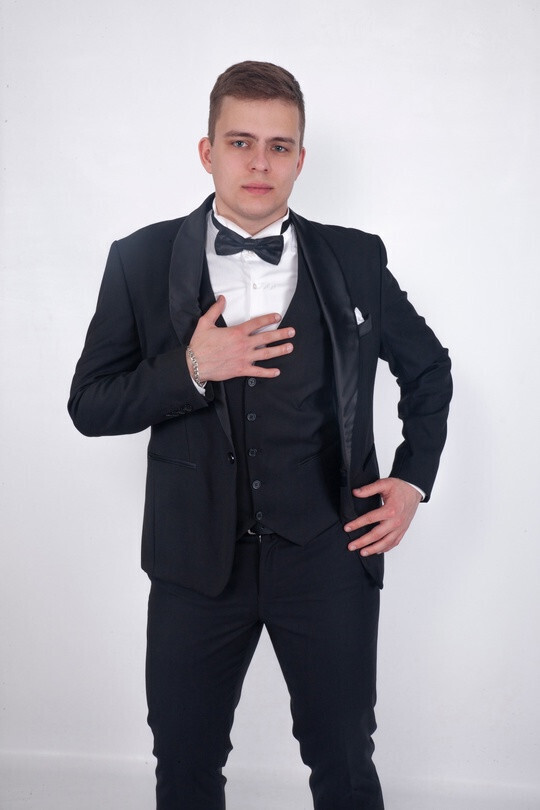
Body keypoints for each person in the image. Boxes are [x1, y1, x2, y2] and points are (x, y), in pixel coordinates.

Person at [68, 61, 452, 810]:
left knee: (345, 763)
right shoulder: (139, 259)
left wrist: (412, 480)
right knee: (185, 765)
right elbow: (90, 404)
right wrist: (191, 369)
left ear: (301, 159)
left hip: (329, 552)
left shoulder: (356, 257)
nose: (260, 163)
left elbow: (428, 370)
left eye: (279, 146)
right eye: (240, 142)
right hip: (192, 565)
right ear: (207, 151)